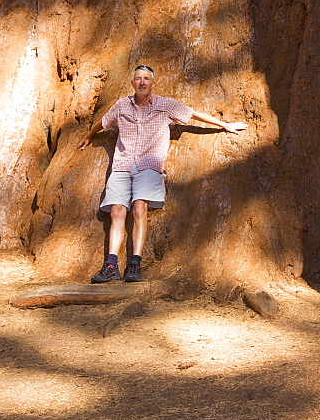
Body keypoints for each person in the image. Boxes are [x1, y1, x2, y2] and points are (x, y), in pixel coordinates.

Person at [78, 64, 248, 283]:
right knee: (117, 211)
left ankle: (134, 264)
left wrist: (224, 124)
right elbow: (103, 122)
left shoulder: (165, 105)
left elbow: (193, 114)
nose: (142, 82)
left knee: (140, 207)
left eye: (146, 79)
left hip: (149, 165)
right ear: (133, 83)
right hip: (122, 165)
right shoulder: (121, 105)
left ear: (152, 83)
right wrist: (89, 135)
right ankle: (111, 265)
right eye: (138, 78)